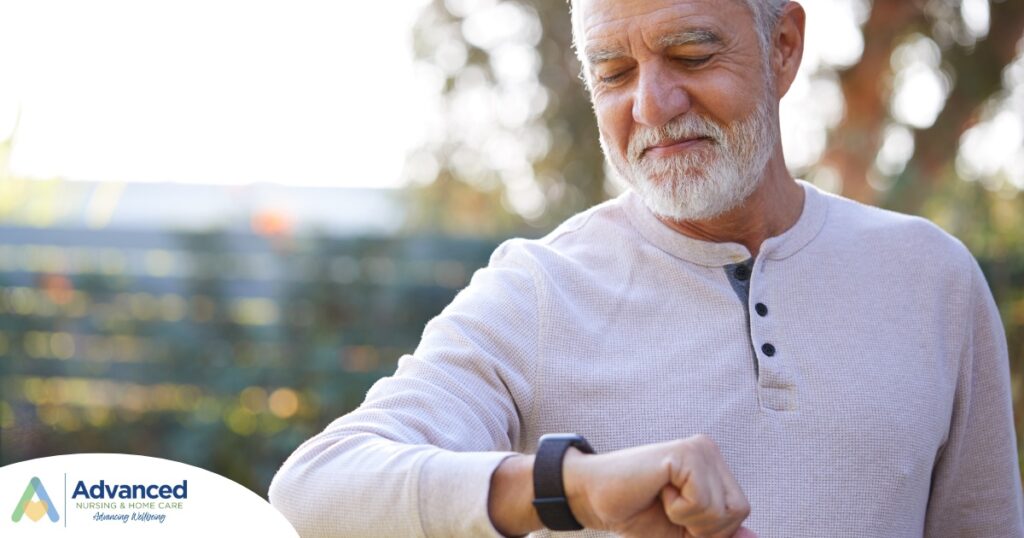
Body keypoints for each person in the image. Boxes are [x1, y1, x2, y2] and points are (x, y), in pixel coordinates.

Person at [269, 0, 1024, 536]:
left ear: (785, 45)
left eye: (691, 54)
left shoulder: (935, 281)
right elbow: (316, 490)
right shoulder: (537, 290)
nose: (654, 105)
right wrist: (573, 488)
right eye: (613, 72)